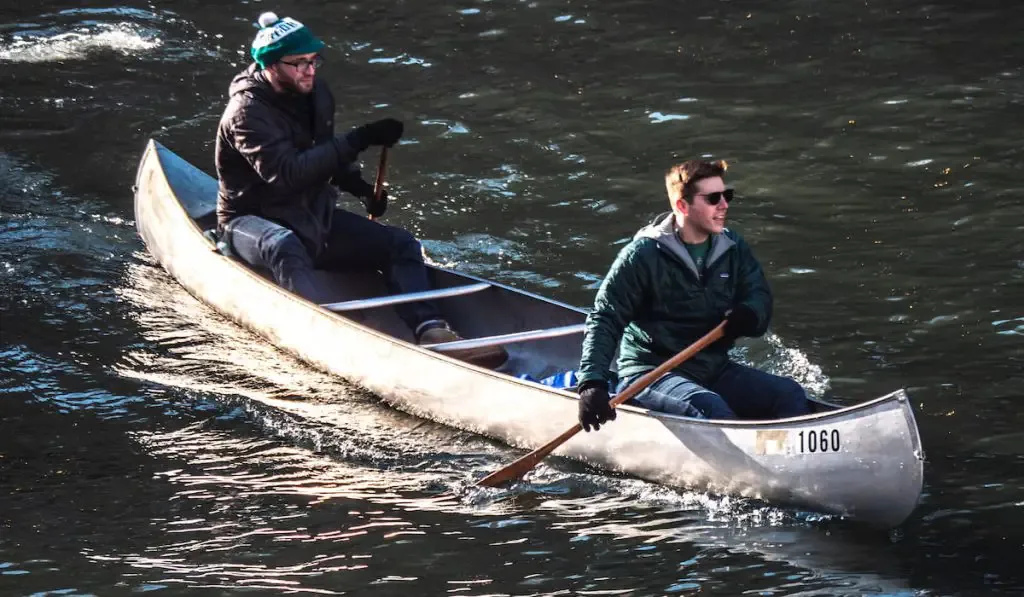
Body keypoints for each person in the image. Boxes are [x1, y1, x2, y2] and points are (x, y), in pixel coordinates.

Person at [214, 11, 506, 368]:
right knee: (283, 245)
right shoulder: (246, 114)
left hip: (311, 219)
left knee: (399, 244)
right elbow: (287, 174)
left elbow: (322, 154)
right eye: (298, 64)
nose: (309, 70)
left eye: (313, 60)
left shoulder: (316, 94)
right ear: (271, 65)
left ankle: (431, 329)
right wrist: (359, 139)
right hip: (251, 220)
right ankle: (320, 338)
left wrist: (360, 188)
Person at [575, 159, 812, 431]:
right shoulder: (641, 256)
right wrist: (592, 383)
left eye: (727, 196)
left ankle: (780, 454)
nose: (724, 205)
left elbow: (758, 296)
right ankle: (755, 460)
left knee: (789, 394)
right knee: (713, 410)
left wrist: (750, 314)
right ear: (682, 206)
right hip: (651, 373)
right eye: (713, 198)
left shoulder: (733, 247)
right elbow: (605, 318)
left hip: (712, 368)